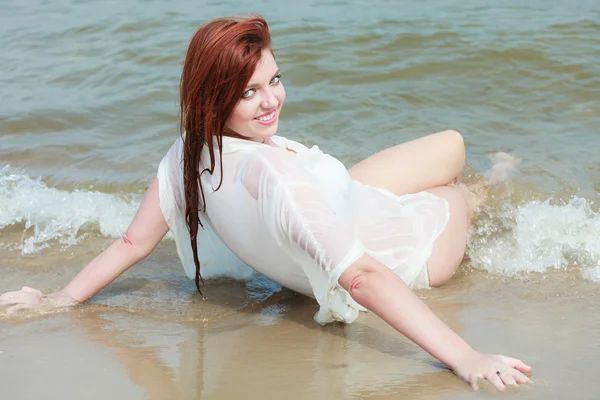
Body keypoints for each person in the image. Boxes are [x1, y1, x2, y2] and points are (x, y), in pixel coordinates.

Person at [0, 15, 532, 391]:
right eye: (249, 92)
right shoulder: (275, 178)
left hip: (344, 199)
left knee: (450, 143)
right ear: (213, 97)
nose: (272, 99)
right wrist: (464, 356)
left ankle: (483, 177)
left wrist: (60, 299)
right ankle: (489, 186)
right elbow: (364, 279)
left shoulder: (188, 153)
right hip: (405, 248)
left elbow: (133, 240)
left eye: (274, 80)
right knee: (454, 190)